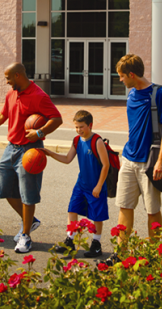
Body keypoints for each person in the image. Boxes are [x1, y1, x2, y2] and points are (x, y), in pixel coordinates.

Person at [0, 62, 63, 253]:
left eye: (8, 78)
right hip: (11, 147)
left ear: (19, 75)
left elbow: (56, 118)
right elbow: (2, 115)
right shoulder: (12, 93)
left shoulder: (39, 96)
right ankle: (31, 221)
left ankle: (26, 236)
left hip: (31, 149)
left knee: (28, 194)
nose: (7, 82)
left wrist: (39, 133)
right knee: (3, 188)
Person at [107, 53, 162, 263]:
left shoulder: (159, 94)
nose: (120, 80)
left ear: (132, 74)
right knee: (124, 206)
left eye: (121, 76)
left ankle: (157, 256)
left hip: (150, 161)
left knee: (152, 210)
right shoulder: (131, 95)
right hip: (128, 159)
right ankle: (121, 254)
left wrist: (161, 161)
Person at [42, 110, 109, 258]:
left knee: (97, 217)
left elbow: (106, 165)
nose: (79, 130)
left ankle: (96, 245)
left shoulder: (97, 142)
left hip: (95, 186)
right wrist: (50, 153)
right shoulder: (77, 140)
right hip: (81, 185)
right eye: (76, 127)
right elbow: (67, 159)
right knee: (72, 210)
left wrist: (98, 186)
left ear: (90, 125)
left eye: (81, 127)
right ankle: (69, 241)